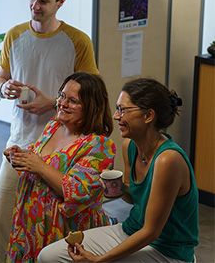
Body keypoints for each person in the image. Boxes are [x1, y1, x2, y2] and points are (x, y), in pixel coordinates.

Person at [0, 0, 99, 262]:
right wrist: (4, 88)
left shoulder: (77, 41)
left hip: (61, 150)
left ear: (61, 2)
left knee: (49, 230)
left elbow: (92, 96)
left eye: (44, 1)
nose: (35, 6)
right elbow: (0, 78)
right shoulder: (15, 35)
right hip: (20, 144)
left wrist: (51, 103)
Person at [38, 78, 199, 263]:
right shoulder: (129, 145)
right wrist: (118, 189)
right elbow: (133, 198)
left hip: (166, 250)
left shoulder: (168, 160)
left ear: (148, 116)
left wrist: (99, 260)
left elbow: (151, 231)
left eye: (123, 110)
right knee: (48, 256)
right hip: (131, 230)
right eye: (117, 108)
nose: (116, 116)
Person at [4, 72, 115, 262]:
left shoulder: (98, 145)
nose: (62, 103)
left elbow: (81, 191)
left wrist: (38, 166)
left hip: (62, 230)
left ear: (91, 107)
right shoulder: (54, 126)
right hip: (29, 223)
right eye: (62, 96)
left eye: (72, 100)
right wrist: (22, 155)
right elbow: (43, 157)